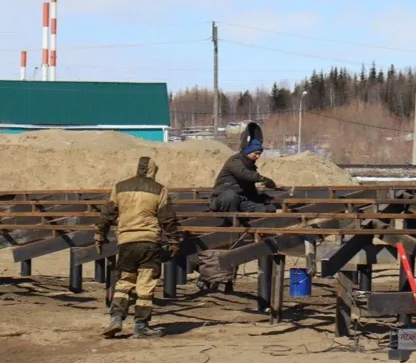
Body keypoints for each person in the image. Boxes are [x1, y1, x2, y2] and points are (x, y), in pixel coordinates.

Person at [95, 156, 181, 339]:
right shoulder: (160, 190)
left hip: (126, 242)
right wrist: (174, 240)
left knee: (124, 282)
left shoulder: (119, 187)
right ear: (153, 171)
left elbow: (107, 214)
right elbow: (168, 218)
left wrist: (99, 235)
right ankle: (141, 325)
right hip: (149, 242)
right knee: (145, 284)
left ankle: (116, 318)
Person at [196, 139, 278, 294]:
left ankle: (258, 230)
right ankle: (233, 224)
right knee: (231, 196)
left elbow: (249, 188)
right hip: (222, 199)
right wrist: (263, 179)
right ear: (248, 152)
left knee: (265, 208)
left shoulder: (250, 165)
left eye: (260, 154)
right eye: (256, 153)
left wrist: (264, 199)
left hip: (241, 200)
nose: (258, 156)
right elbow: (245, 175)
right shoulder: (235, 161)